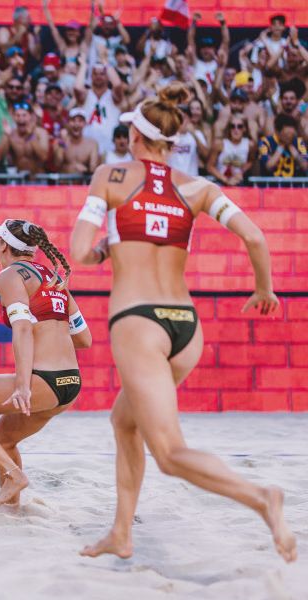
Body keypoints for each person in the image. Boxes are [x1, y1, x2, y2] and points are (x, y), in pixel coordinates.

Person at [70, 83, 296, 563]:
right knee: (124, 421)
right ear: (170, 143)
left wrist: (103, 249)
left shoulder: (109, 176)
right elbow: (255, 237)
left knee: (170, 454)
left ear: (135, 134)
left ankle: (262, 499)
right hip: (185, 327)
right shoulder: (196, 188)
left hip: (139, 321)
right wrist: (264, 290)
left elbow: (78, 254)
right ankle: (121, 533)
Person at [0, 219, 90, 507]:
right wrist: (51, 333)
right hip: (70, 383)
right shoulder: (54, 278)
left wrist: (23, 384)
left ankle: (14, 474)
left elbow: (22, 328)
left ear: (3, 246)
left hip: (42, 381)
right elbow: (84, 339)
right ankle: (11, 509)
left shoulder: (10, 275)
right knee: (5, 440)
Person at [0, 101, 49, 175]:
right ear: (13, 117)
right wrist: (6, 135)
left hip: (38, 179)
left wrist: (31, 137)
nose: (21, 119)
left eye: (24, 115)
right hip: (19, 180)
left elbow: (44, 157)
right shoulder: (11, 134)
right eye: (18, 115)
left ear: (31, 116)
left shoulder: (41, 133)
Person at [207, 117, 253, 186]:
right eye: (232, 126)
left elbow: (251, 161)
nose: (236, 129)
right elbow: (210, 167)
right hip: (221, 182)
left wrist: (241, 172)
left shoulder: (250, 145)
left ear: (244, 129)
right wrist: (226, 180)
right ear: (229, 129)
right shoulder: (220, 144)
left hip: (239, 183)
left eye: (239, 126)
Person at [259, 114, 308, 178]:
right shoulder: (265, 142)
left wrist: (295, 154)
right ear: (277, 132)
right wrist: (280, 148)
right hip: (272, 186)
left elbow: (305, 166)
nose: (289, 137)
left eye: (292, 135)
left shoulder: (299, 142)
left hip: (294, 186)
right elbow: (269, 166)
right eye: (286, 135)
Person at [58, 107, 98, 175]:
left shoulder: (92, 144)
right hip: (64, 184)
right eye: (73, 120)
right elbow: (56, 164)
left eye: (80, 121)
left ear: (85, 123)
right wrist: (62, 142)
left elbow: (93, 169)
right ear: (68, 123)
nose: (76, 124)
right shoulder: (62, 141)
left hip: (83, 184)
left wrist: (85, 171)